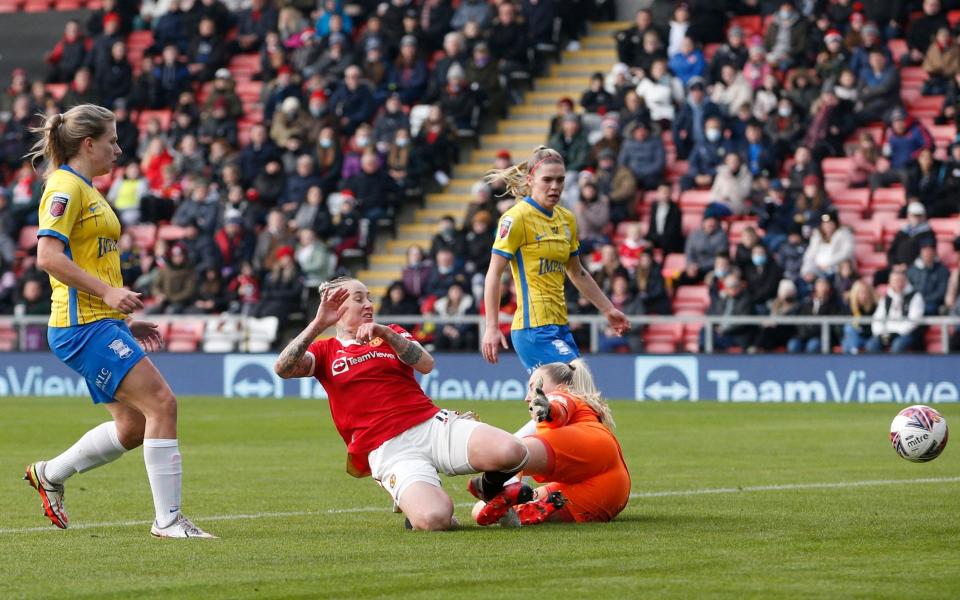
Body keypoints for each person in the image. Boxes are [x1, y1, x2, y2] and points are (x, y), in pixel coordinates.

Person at [22, 104, 213, 538]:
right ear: (88, 143)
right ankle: (168, 521)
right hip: (80, 326)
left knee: (134, 426)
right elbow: (47, 257)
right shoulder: (65, 189)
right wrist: (108, 294)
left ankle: (49, 474)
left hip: (98, 323)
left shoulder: (84, 188)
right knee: (163, 403)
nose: (118, 149)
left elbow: (88, 258)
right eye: (111, 140)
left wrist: (118, 320)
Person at [273, 277, 530, 531]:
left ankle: (488, 488)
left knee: (514, 451)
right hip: (389, 449)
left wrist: (384, 333)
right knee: (434, 520)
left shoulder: (391, 332)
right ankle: (416, 503)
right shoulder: (325, 350)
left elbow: (426, 364)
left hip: (430, 425)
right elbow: (283, 368)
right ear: (336, 309)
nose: (368, 305)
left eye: (370, 298)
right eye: (359, 299)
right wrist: (318, 324)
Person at [480, 146, 630, 372]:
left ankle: (538, 398)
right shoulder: (516, 218)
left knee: (564, 401)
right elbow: (493, 273)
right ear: (530, 180)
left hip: (560, 326)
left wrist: (608, 309)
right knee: (578, 382)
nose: (555, 187)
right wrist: (491, 326)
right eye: (547, 180)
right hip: (533, 329)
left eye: (560, 180)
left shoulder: (566, 219)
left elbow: (577, 272)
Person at [470, 362, 630, 526]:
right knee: (479, 509)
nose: (527, 397)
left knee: (506, 456)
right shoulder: (583, 409)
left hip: (591, 448)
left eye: (533, 387)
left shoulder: (562, 395)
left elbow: (559, 407)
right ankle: (522, 510)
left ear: (560, 387)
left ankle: (493, 488)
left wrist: (548, 408)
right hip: (607, 493)